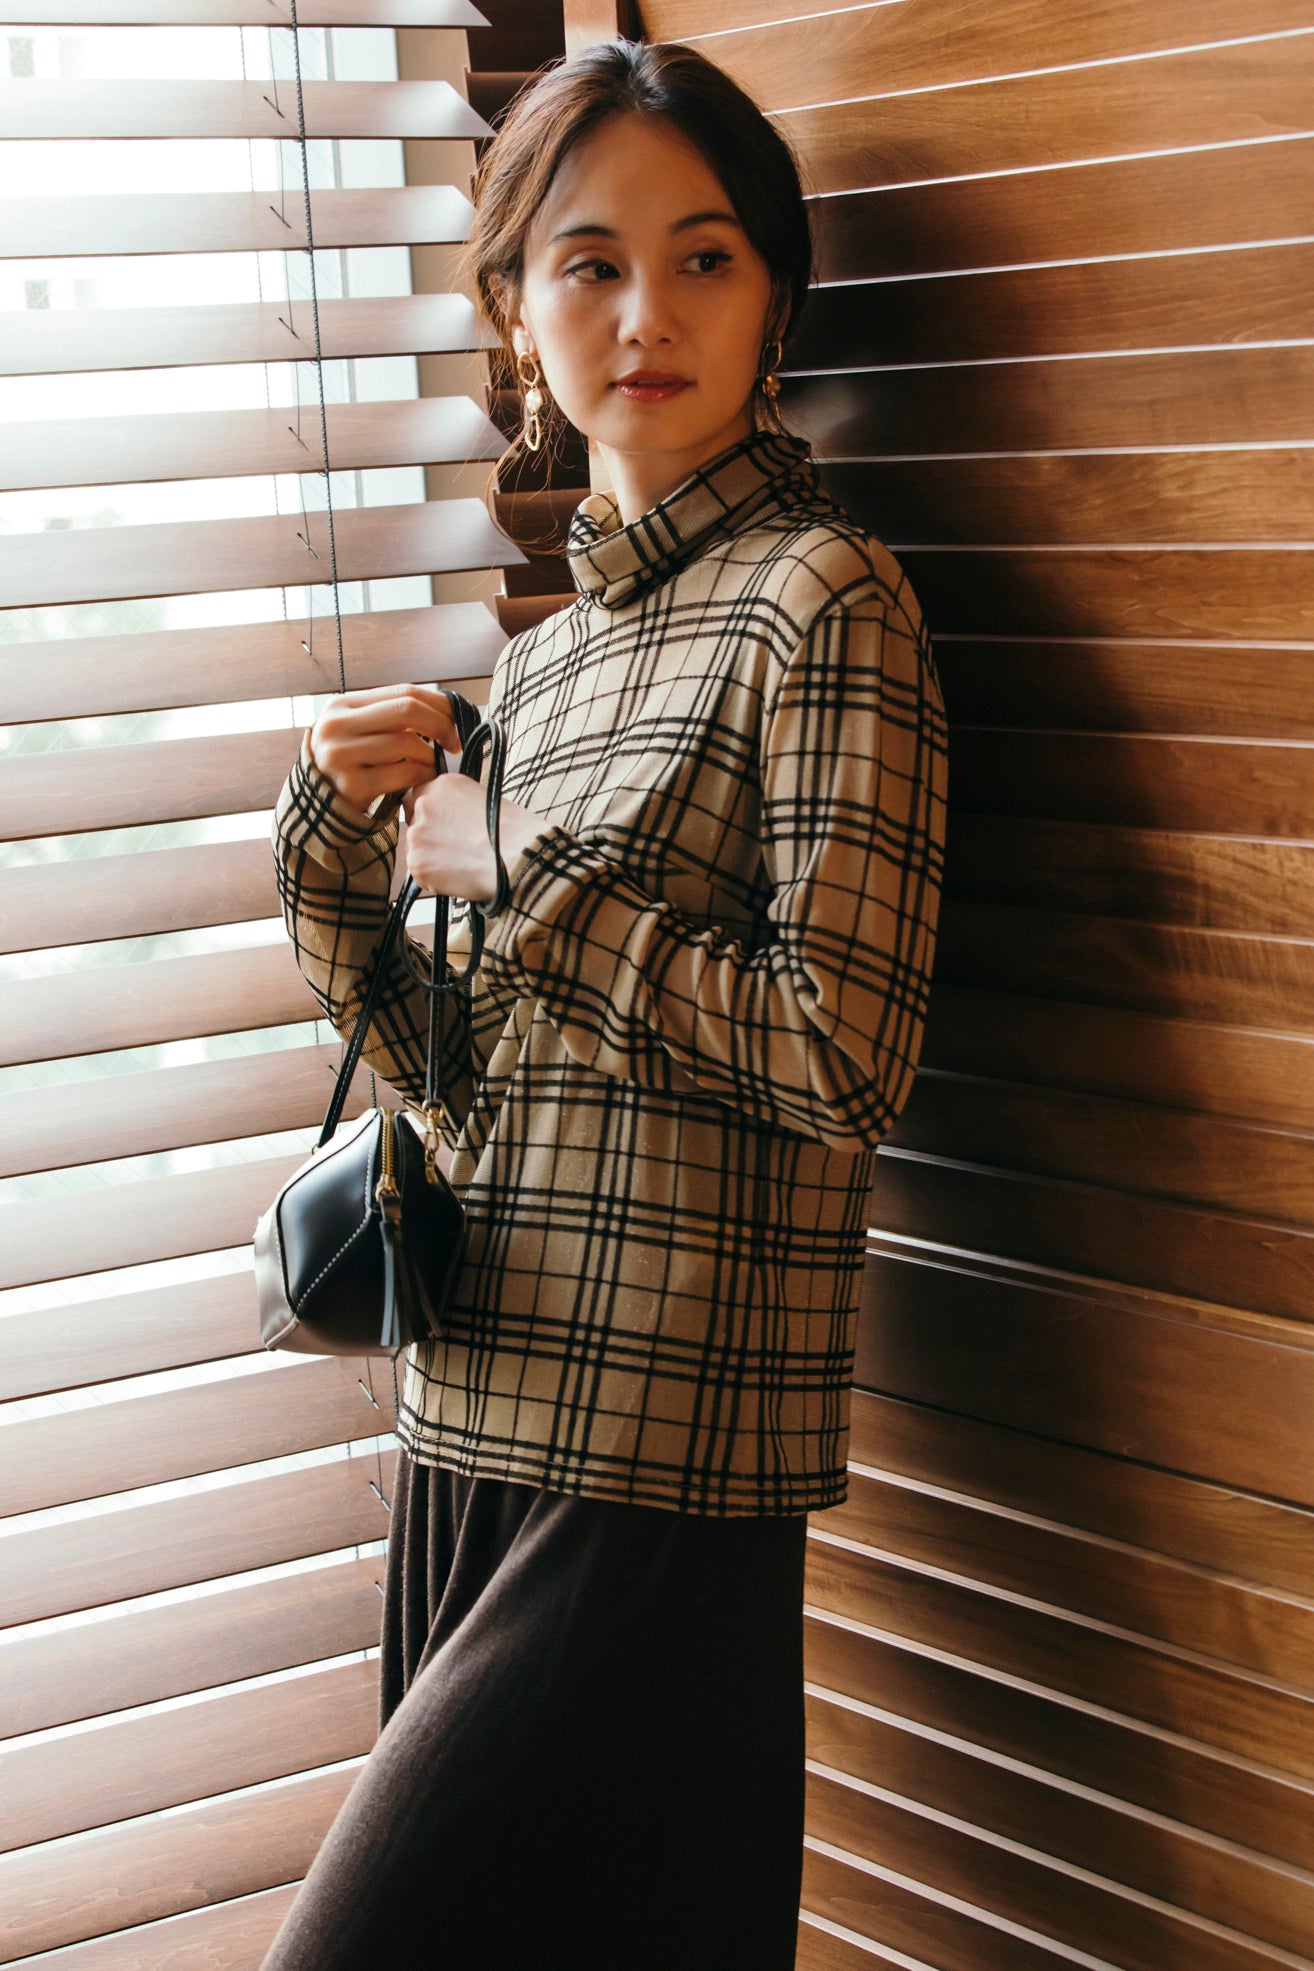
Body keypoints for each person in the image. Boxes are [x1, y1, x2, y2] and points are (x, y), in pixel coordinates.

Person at [260, 36, 947, 1971]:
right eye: (590, 263)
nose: (647, 313)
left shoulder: (827, 600)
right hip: (469, 1410)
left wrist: (535, 884)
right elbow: (457, 1083)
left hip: (658, 1460)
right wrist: (327, 848)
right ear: (513, 311)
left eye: (702, 257)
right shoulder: (549, 668)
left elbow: (842, 1056)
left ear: (775, 296)